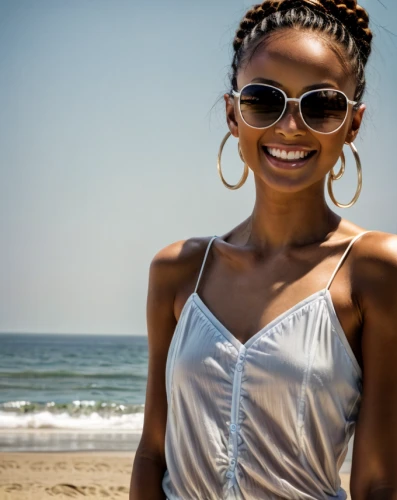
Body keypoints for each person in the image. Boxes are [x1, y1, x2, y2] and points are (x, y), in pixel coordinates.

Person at [130, 0, 397, 498]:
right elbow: (151, 453)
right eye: (263, 100)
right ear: (234, 113)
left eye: (321, 105)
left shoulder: (375, 270)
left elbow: (379, 482)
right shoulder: (177, 270)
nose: (291, 126)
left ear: (353, 124)